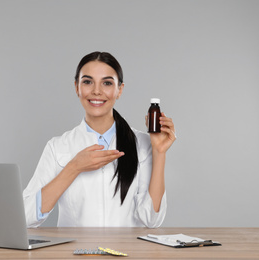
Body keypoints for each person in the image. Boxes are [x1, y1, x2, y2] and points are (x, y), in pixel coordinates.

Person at [23, 51, 176, 228]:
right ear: (76, 87)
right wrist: (74, 167)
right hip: (75, 254)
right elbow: (26, 217)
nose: (96, 91)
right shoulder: (58, 147)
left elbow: (152, 220)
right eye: (87, 82)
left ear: (120, 90)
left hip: (125, 254)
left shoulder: (141, 144)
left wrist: (159, 152)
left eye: (107, 83)